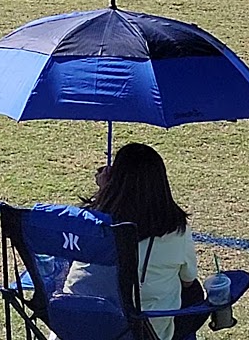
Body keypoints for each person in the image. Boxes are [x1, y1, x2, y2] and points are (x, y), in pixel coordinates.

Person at [83, 143, 201, 340]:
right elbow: (188, 280)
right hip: (147, 330)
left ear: (114, 180)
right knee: (194, 294)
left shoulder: (90, 223)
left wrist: (103, 193)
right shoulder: (176, 231)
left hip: (84, 325)